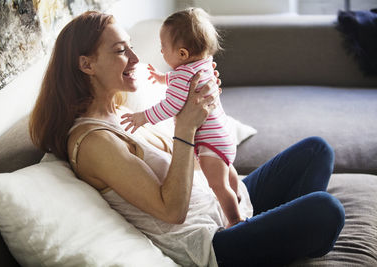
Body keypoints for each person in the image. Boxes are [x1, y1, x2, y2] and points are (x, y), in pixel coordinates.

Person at [29, 10, 345, 267]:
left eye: (131, 47)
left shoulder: (119, 111)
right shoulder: (94, 142)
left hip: (225, 209)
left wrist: (204, 101)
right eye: (121, 51)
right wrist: (186, 127)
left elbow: (192, 160)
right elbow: (171, 211)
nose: (136, 59)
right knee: (326, 209)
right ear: (87, 64)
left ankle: (271, 238)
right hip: (211, 243)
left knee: (317, 150)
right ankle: (271, 240)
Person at [120, 8, 243, 228]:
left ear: (183, 54)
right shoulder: (203, 63)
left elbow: (171, 105)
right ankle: (237, 196)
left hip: (209, 142)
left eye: (163, 47)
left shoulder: (182, 75)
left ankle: (235, 219)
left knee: (217, 186)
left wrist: (143, 117)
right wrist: (161, 78)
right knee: (227, 171)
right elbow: (182, 78)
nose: (161, 51)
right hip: (223, 135)